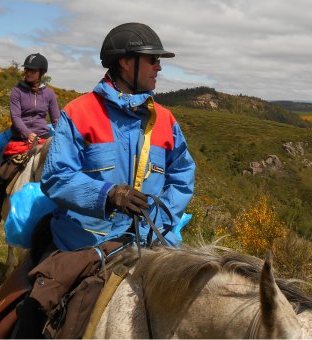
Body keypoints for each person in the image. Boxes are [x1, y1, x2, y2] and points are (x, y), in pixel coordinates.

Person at [40, 22, 196, 251]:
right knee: (43, 287)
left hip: (151, 244)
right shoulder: (78, 113)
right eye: (152, 60)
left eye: (159, 61)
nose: (159, 68)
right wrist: (109, 196)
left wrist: (160, 225)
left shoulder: (166, 120)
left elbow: (182, 175)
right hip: (85, 244)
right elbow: (56, 177)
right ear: (124, 62)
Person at [0, 53, 61, 234]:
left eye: (33, 70)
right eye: (27, 70)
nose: (29, 73)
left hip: (43, 137)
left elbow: (55, 118)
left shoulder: (49, 93)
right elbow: (16, 117)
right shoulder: (17, 91)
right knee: (0, 174)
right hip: (19, 137)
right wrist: (27, 134)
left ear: (41, 72)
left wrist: (62, 135)